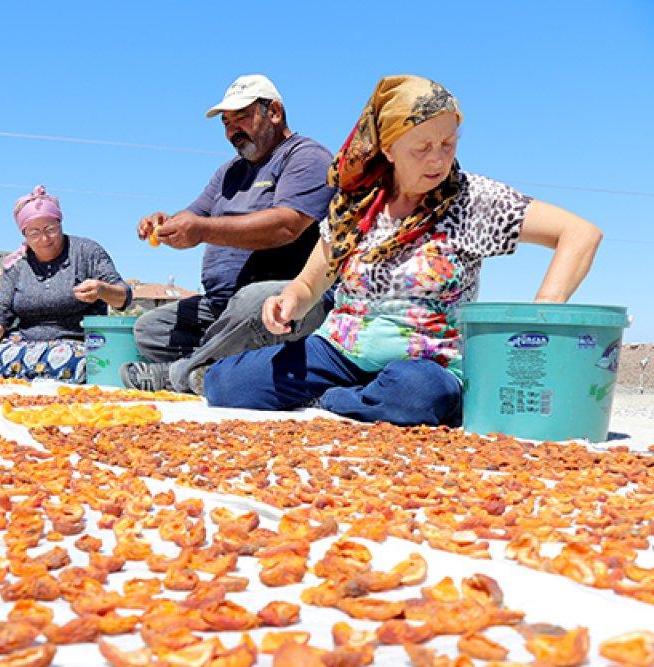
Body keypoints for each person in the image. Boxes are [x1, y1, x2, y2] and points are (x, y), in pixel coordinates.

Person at [204, 75, 603, 426]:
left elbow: (580, 233)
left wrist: (543, 312)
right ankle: (360, 397)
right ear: (389, 148)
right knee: (225, 384)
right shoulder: (356, 203)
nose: (438, 158)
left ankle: (337, 400)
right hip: (340, 350)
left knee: (415, 394)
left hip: (428, 361)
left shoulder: (472, 200)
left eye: (448, 143)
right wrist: (288, 299)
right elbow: (312, 280)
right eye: (422, 147)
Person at [122, 74, 336, 394]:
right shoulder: (228, 172)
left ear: (274, 112)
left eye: (241, 117)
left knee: (254, 301)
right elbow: (192, 216)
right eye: (226, 122)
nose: (232, 130)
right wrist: (165, 224)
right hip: (223, 307)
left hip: (288, 302)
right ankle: (220, 365)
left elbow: (286, 225)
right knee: (150, 329)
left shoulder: (306, 157)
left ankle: (183, 374)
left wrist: (201, 230)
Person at [0, 186, 131, 382]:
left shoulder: (87, 252)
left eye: (50, 230)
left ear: (60, 224)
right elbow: (0, 313)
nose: (44, 239)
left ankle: (13, 370)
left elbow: (123, 297)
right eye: (34, 233)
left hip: (73, 343)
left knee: (70, 361)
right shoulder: (17, 265)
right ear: (25, 235)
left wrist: (102, 290)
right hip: (24, 342)